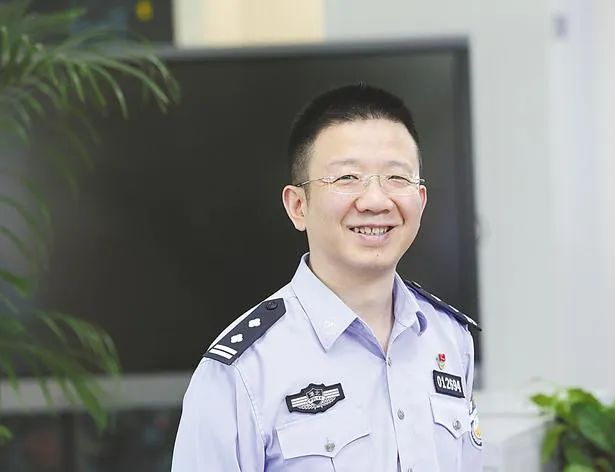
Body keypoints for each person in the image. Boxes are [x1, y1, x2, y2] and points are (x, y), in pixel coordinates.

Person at [171, 83, 482, 472]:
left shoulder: (449, 338)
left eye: (396, 178)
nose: (375, 201)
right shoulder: (242, 370)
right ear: (297, 206)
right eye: (347, 178)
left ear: (420, 201)